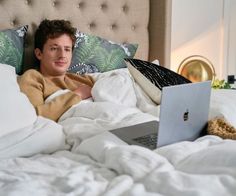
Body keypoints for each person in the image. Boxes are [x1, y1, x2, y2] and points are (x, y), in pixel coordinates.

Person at [17, 19, 94, 122]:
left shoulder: (85, 79)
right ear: (39, 54)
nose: (62, 55)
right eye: (54, 48)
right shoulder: (33, 78)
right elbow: (34, 118)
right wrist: (77, 95)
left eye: (67, 49)